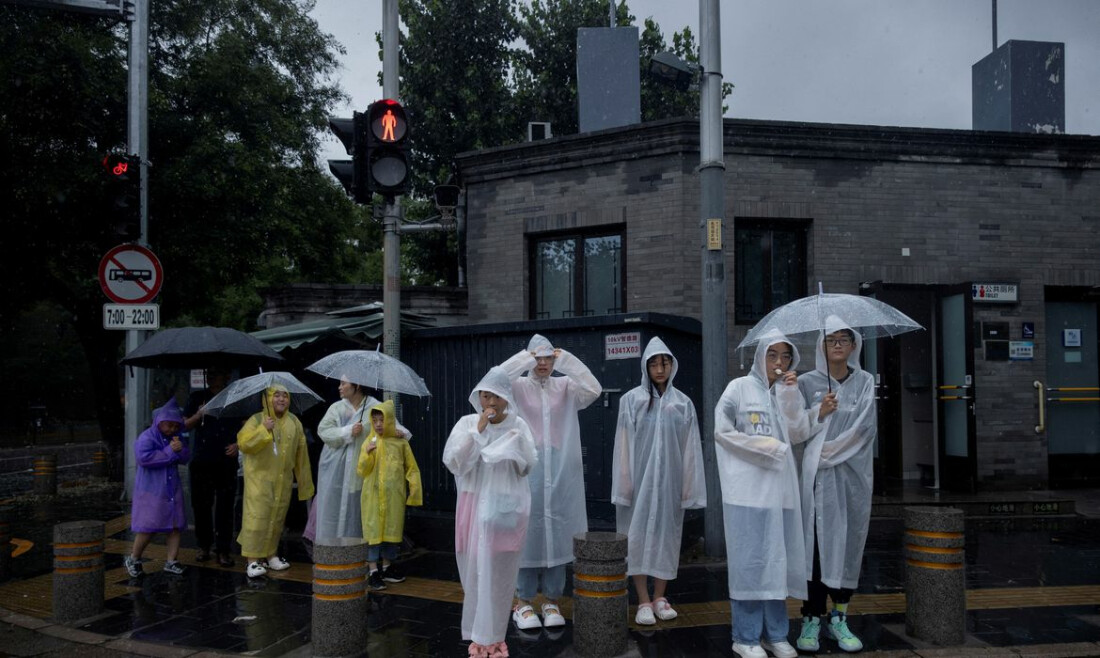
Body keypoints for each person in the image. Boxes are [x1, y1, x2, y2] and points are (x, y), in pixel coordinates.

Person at [714, 330, 811, 658]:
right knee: (749, 565)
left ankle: (775, 634)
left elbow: (798, 433)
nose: (779, 362)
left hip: (781, 494)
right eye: (772, 355)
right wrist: (767, 447)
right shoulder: (738, 389)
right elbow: (722, 431)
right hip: (747, 494)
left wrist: (791, 397)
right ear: (760, 357)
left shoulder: (787, 391)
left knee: (776, 563)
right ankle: (745, 637)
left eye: (785, 356)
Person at [499, 334, 602, 632]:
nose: (543, 363)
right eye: (538, 358)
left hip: (559, 468)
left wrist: (566, 359)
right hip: (528, 467)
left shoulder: (565, 386)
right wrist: (524, 358)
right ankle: (524, 601)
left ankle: (552, 599)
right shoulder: (518, 387)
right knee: (526, 528)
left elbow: (593, 389)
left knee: (558, 529)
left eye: (548, 358)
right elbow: (495, 380)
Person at [611, 337, 707, 626]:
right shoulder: (631, 401)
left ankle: (660, 597)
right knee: (637, 538)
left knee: (667, 538)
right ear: (646, 367)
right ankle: (643, 599)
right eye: (654, 364)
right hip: (639, 484)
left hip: (669, 484)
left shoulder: (682, 404)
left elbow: (690, 448)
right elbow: (623, 446)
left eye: (664, 363)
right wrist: (624, 484)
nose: (660, 369)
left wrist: (688, 486)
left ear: (672, 366)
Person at [443, 366, 538, 658]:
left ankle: (494, 636)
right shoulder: (467, 423)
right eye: (486, 396)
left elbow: (527, 466)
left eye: (496, 396)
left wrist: (515, 448)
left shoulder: (518, 425)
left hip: (505, 509)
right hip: (473, 507)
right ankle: (479, 637)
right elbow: (454, 462)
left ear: (507, 397)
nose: (491, 402)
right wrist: (478, 431)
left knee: (499, 572)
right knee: (475, 572)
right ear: (478, 397)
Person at [794, 316, 876, 654]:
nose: (838, 344)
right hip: (817, 479)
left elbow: (865, 428)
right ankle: (811, 617)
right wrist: (819, 412)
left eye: (844, 339)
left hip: (853, 476)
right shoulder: (806, 383)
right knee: (815, 546)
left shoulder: (865, 381)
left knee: (848, 542)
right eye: (831, 339)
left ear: (854, 345)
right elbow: (795, 429)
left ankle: (839, 616)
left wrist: (826, 453)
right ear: (822, 346)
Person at [308, 379, 409, 546]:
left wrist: (396, 433)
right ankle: (332, 552)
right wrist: (348, 430)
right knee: (333, 513)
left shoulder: (375, 407)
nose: (340, 387)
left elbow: (397, 429)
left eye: (344, 383)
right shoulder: (337, 408)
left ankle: (358, 553)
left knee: (359, 514)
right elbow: (323, 431)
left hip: (363, 470)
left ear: (358, 385)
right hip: (336, 470)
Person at [237, 385, 315, 579]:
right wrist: (263, 430)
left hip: (283, 481)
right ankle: (252, 559)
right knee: (257, 519)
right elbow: (244, 443)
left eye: (285, 396)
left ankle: (271, 555)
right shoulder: (257, 419)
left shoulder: (294, 422)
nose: (281, 399)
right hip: (259, 481)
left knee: (276, 519)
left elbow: (301, 455)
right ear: (268, 398)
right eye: (277, 395)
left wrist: (305, 484)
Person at [357, 399, 422, 590]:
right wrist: (367, 454)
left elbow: (412, 468)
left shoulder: (400, 443)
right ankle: (373, 571)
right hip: (372, 497)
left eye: (382, 420)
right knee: (373, 533)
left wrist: (415, 492)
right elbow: (361, 470)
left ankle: (386, 567)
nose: (378, 424)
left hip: (393, 497)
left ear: (391, 420)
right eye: (375, 420)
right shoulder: (369, 442)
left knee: (391, 532)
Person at [126, 400, 191, 577]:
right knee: (149, 527)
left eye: (176, 426)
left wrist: (180, 450)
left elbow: (185, 457)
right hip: (152, 490)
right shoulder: (147, 437)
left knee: (175, 526)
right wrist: (171, 451)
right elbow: (144, 458)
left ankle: (172, 561)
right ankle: (134, 558)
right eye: (169, 425)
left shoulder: (176, 437)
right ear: (159, 422)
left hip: (172, 488)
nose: (172, 429)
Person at [184, 368, 239, 568]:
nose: (212, 378)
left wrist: (239, 444)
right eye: (209, 375)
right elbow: (184, 425)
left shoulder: (234, 398)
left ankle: (223, 549)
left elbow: (248, 425)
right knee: (201, 505)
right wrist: (199, 414)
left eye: (216, 374)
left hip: (226, 460)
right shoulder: (197, 397)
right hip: (202, 460)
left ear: (226, 376)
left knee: (225, 506)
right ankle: (204, 545)